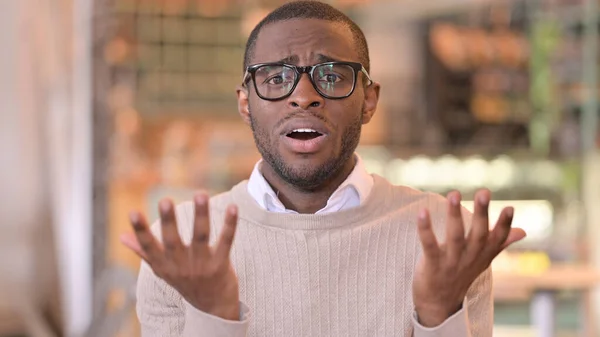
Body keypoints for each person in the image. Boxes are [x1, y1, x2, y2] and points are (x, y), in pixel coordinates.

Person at [120, 1, 526, 336]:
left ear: (368, 100)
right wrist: (214, 317)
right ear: (245, 103)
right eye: (276, 77)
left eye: (330, 76)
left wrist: (440, 314)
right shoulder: (185, 247)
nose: (303, 96)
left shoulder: (444, 239)